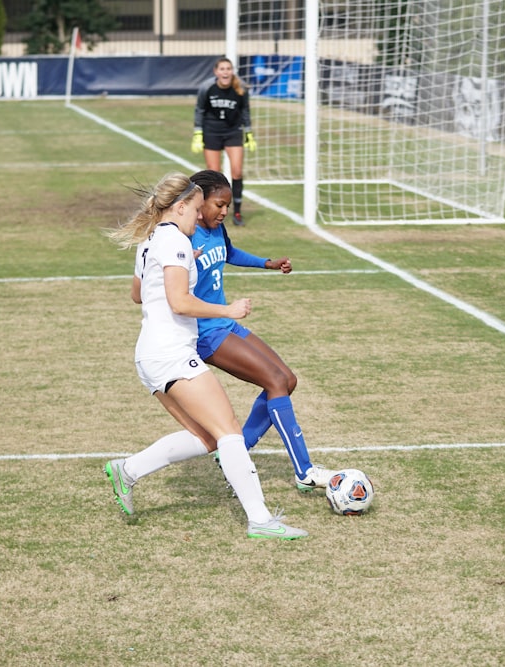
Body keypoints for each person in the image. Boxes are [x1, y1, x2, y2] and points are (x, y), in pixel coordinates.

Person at [103, 172, 307, 540]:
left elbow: (138, 295)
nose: (198, 218)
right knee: (229, 431)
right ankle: (260, 520)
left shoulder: (150, 241)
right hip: (171, 354)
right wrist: (229, 310)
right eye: (196, 209)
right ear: (180, 207)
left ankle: (127, 470)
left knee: (208, 437)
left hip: (150, 356)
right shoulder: (176, 242)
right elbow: (180, 302)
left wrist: (182, 266)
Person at [188, 169, 335, 492]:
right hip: (206, 333)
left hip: (226, 324)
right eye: (219, 205)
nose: (225, 211)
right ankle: (304, 470)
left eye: (227, 205)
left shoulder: (216, 230)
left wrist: (266, 263)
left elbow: (229, 253)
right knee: (273, 381)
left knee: (287, 379)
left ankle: (233, 454)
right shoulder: (184, 239)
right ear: (198, 202)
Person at [192, 57, 256, 227]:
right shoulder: (207, 87)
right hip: (212, 132)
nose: (225, 72)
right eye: (222, 69)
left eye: (228, 68)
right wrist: (198, 133)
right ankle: (208, 212)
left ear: (232, 71)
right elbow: (200, 110)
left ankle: (237, 212)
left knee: (237, 172)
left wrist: (248, 132)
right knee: (214, 176)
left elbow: (245, 111)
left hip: (233, 132)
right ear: (216, 72)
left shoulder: (240, 88)